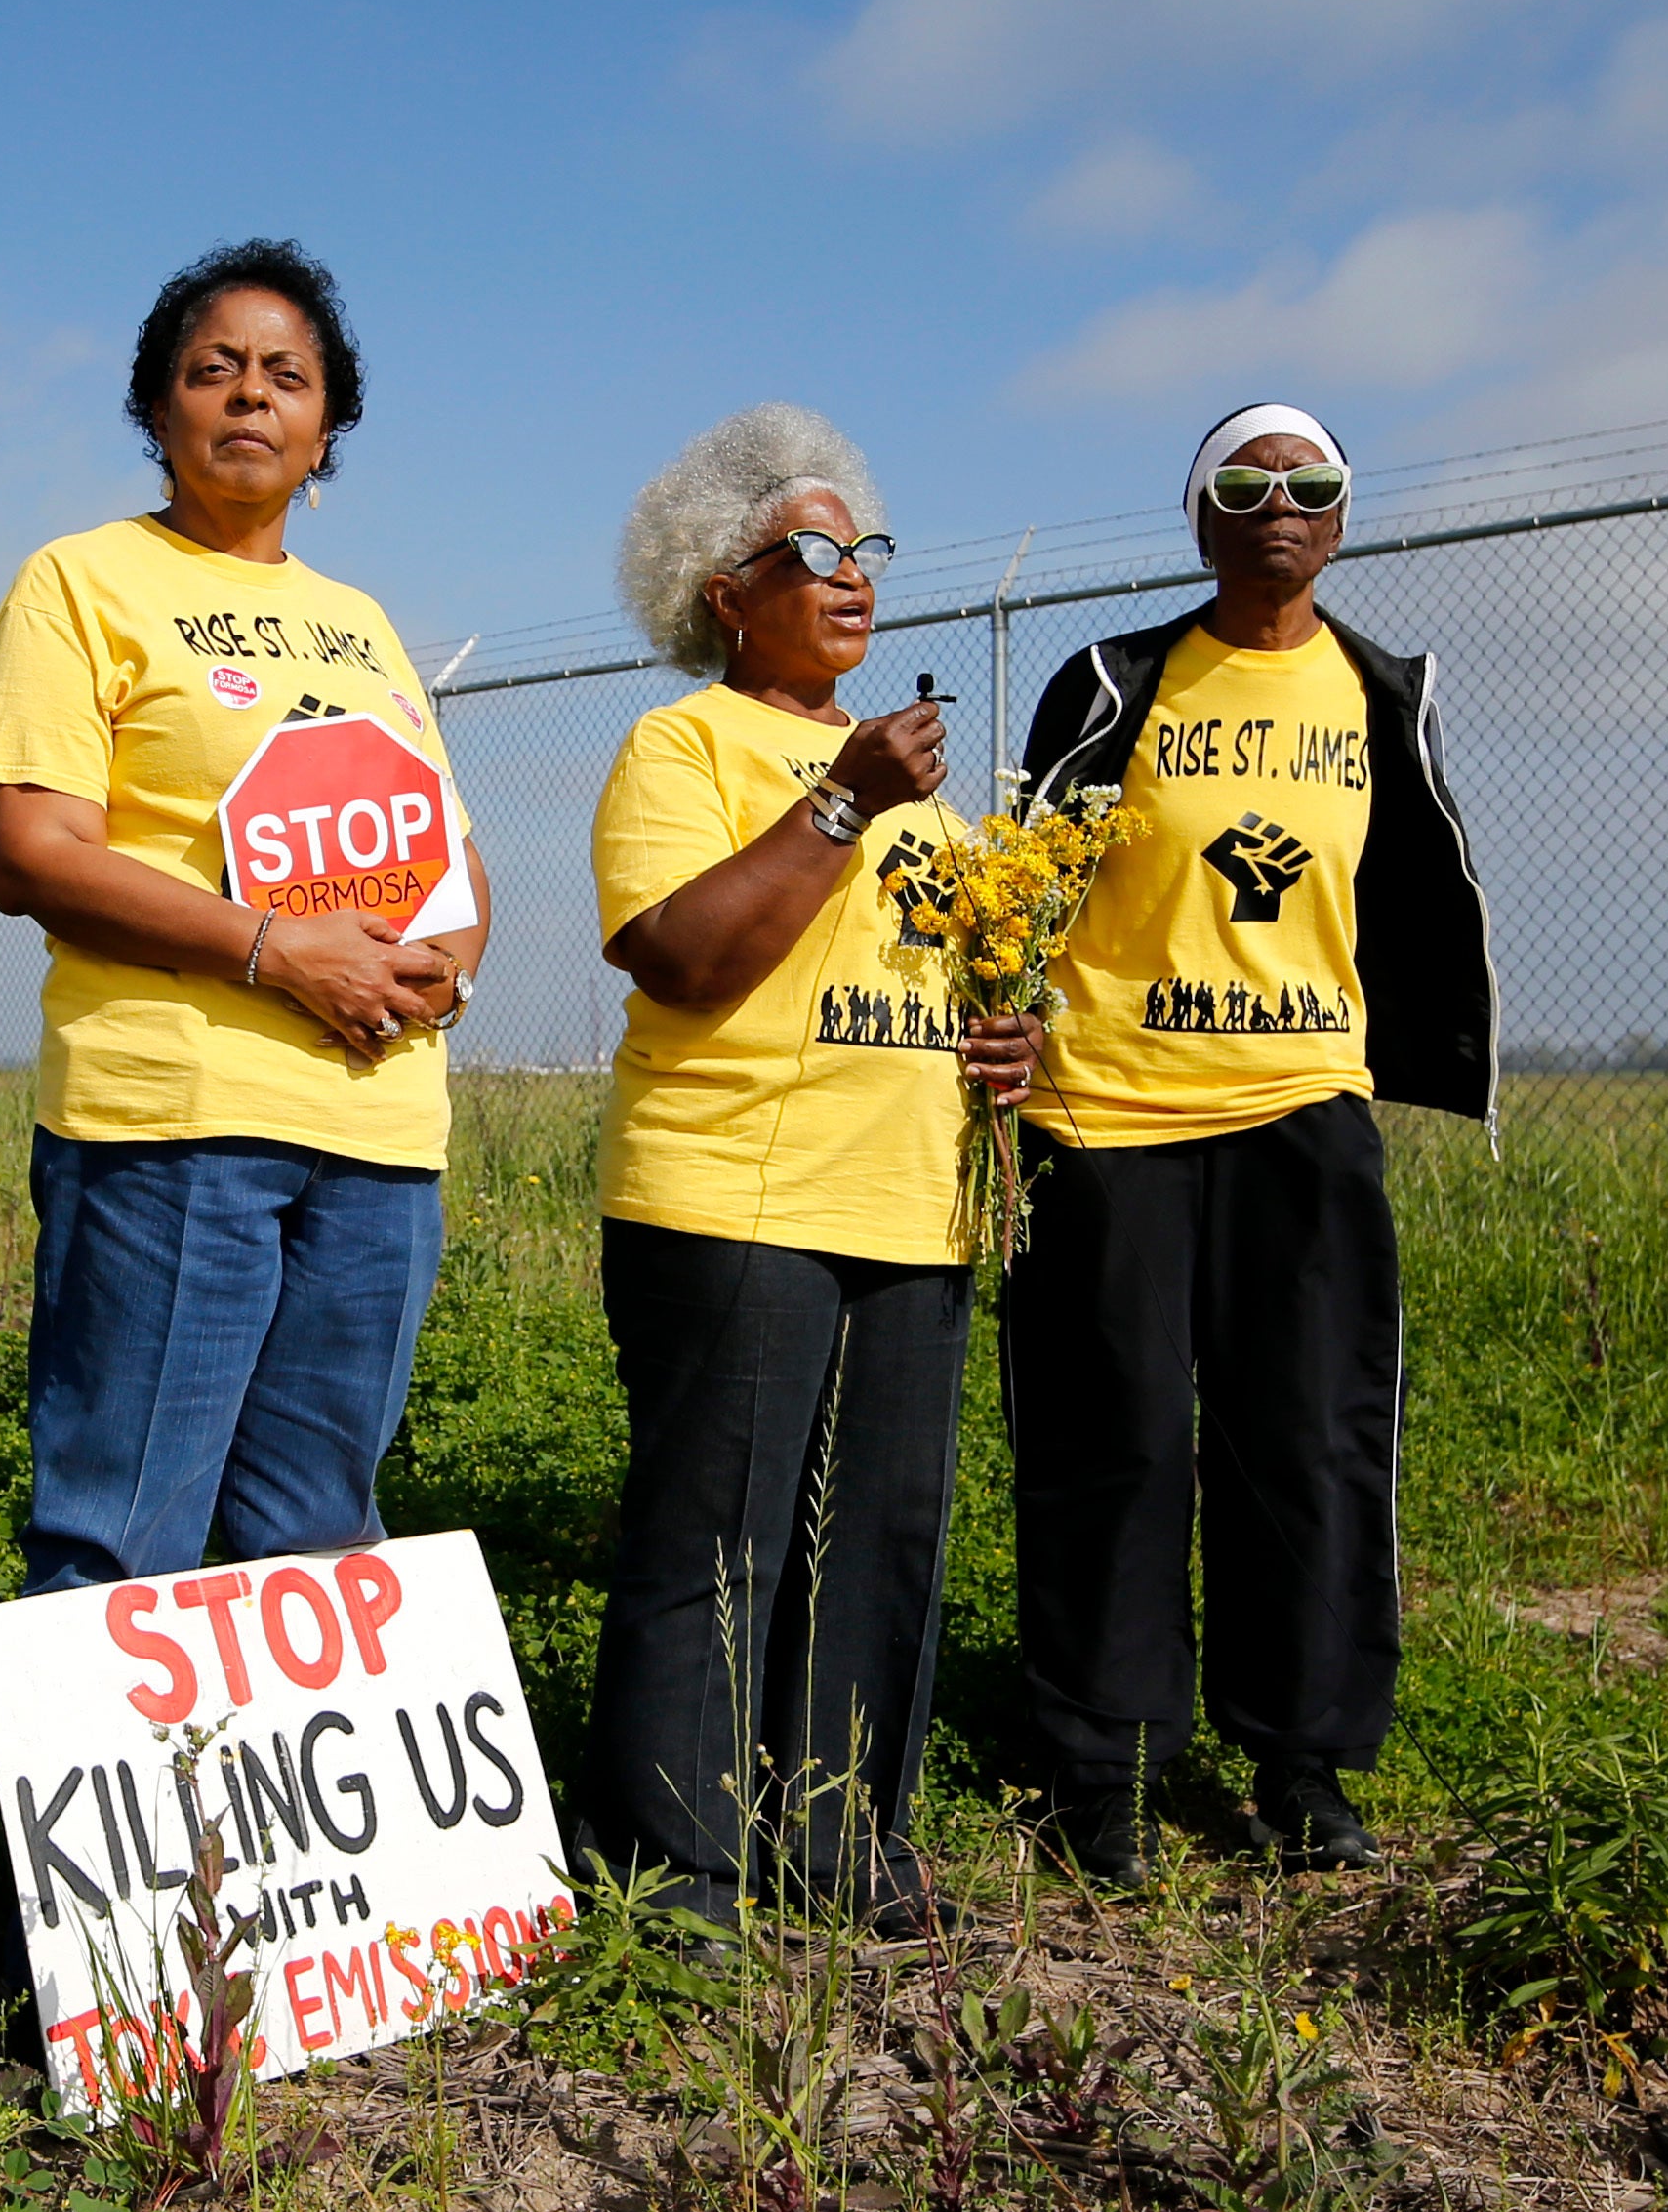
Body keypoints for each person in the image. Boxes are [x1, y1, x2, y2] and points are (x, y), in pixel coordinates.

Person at [1003, 401, 1494, 1875]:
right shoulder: (1113, 683)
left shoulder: (1381, 692)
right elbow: (1024, 883)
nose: (1279, 504)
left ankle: (1306, 1767)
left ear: (1342, 519)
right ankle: (1101, 1768)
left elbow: (1405, 888)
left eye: (1312, 484)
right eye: (1245, 482)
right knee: (1117, 1443)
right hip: (1109, 1115)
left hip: (1303, 1116)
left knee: (1313, 1444)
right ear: (1199, 514)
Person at [0, 241, 492, 1591]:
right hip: (176, 1121)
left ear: (328, 432)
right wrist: (273, 948)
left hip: (377, 1133)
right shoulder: (81, 583)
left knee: (318, 1532)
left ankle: (256, 1809)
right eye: (215, 371)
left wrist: (447, 966)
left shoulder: (360, 622)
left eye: (287, 377)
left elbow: (451, 855)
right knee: (122, 1527)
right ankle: (111, 1806)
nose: (251, 398)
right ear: (157, 408)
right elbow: (30, 849)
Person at [583, 408, 1040, 1936]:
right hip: (736, 1203)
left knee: (879, 1546)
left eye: (866, 552)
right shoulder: (684, 747)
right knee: (719, 1542)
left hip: (912, 1211)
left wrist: (1002, 1049)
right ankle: (680, 1879)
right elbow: (684, 958)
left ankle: (842, 1843)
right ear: (726, 586)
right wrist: (840, 799)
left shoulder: (933, 804)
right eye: (813, 552)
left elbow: (952, 987)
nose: (853, 579)